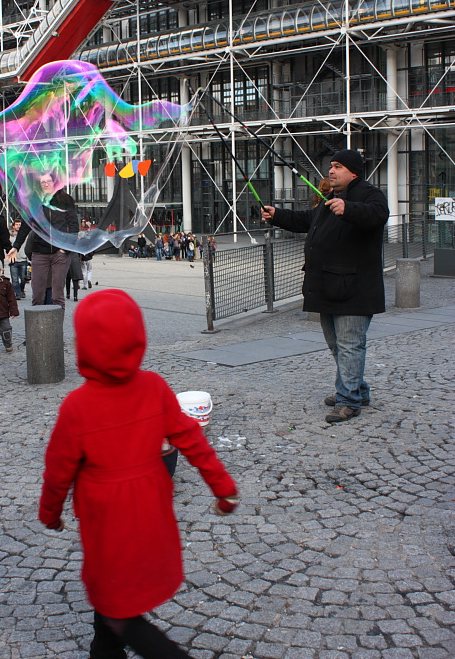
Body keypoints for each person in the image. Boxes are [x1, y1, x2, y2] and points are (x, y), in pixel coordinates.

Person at [38, 289, 238, 659]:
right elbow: (192, 440)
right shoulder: (154, 388)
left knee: (119, 615)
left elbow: (58, 472)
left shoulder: (77, 407)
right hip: (150, 511)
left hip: (107, 523)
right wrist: (223, 488)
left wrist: (50, 514)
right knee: (110, 610)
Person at [262, 149, 389, 424]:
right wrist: (277, 215)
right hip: (329, 287)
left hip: (353, 289)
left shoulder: (368, 194)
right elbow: (306, 221)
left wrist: (349, 209)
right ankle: (357, 389)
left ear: (353, 172)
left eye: (338, 166)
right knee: (337, 345)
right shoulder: (332, 198)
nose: (331, 171)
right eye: (331, 166)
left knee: (350, 345)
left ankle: (349, 400)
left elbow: (378, 215)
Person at [7, 172, 79, 313]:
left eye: (48, 181)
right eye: (42, 182)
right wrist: (16, 246)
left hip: (60, 252)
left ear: (55, 182)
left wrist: (66, 248)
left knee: (57, 295)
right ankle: (38, 330)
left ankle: (56, 330)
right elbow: (26, 225)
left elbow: (74, 227)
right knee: (38, 293)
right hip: (40, 251)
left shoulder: (66, 201)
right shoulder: (35, 201)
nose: (45, 184)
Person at [9, 219, 28, 300]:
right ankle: (18, 294)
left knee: (24, 278)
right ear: (13, 226)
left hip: (23, 259)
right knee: (14, 279)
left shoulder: (25, 236)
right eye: (16, 224)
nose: (18, 226)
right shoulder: (10, 237)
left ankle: (21, 289)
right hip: (14, 260)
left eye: (19, 224)